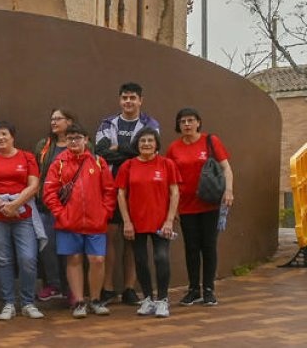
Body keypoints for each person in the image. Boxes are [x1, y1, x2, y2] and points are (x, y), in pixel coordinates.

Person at [95, 82, 160, 307]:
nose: (128, 101)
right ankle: (108, 288)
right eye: (125, 98)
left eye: (133, 97)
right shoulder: (107, 123)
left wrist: (117, 149)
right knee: (110, 236)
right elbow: (100, 153)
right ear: (120, 100)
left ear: (140, 100)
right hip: (110, 187)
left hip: (139, 188)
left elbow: (148, 151)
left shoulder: (150, 124)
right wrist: (129, 151)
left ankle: (129, 288)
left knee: (133, 239)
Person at [41, 122, 115, 318]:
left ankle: (96, 300)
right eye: (70, 138)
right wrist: (61, 214)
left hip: (96, 222)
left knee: (97, 260)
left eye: (77, 138)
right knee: (73, 260)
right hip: (68, 223)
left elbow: (109, 191)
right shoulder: (58, 163)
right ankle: (80, 302)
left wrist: (105, 213)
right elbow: (49, 193)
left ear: (86, 140)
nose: (74, 142)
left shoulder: (98, 162)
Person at [0, 121, 45, 321]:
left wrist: (15, 205)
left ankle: (28, 303)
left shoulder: (27, 157)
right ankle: (8, 303)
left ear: (12, 136)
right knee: (4, 260)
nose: (0, 138)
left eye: (4, 134)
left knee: (28, 259)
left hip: (24, 216)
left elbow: (34, 186)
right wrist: (1, 205)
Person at [166, 107, 234, 307]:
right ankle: (194, 289)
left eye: (190, 120)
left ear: (198, 122)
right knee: (192, 247)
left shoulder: (210, 141)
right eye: (183, 121)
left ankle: (209, 289)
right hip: (186, 205)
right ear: (178, 125)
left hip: (209, 203)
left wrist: (228, 190)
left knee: (209, 245)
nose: (187, 124)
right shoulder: (174, 148)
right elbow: (170, 180)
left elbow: (226, 168)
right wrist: (172, 208)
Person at [117, 128, 180, 319]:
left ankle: (162, 300)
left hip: (161, 223)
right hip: (136, 223)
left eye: (150, 141)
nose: (146, 144)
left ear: (156, 144)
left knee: (161, 257)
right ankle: (148, 299)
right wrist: (127, 221)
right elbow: (121, 194)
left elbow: (175, 192)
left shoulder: (167, 164)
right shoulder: (128, 166)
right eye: (142, 141)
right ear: (137, 144)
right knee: (140, 260)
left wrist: (169, 220)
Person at [33, 108, 74, 302]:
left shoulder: (81, 143)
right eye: (52, 119)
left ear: (69, 122)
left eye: (58, 118)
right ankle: (54, 284)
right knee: (47, 246)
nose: (54, 122)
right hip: (46, 205)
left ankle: (72, 288)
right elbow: (37, 171)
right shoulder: (44, 145)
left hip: (71, 206)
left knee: (70, 248)